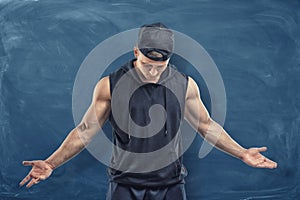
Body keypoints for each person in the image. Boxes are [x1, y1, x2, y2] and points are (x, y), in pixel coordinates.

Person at [19, 23, 277, 200]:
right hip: (124, 185)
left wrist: (242, 153)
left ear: (169, 59)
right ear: (135, 53)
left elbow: (206, 125)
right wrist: (51, 162)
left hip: (171, 185)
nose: (153, 72)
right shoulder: (110, 86)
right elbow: (85, 131)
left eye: (160, 65)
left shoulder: (185, 85)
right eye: (147, 64)